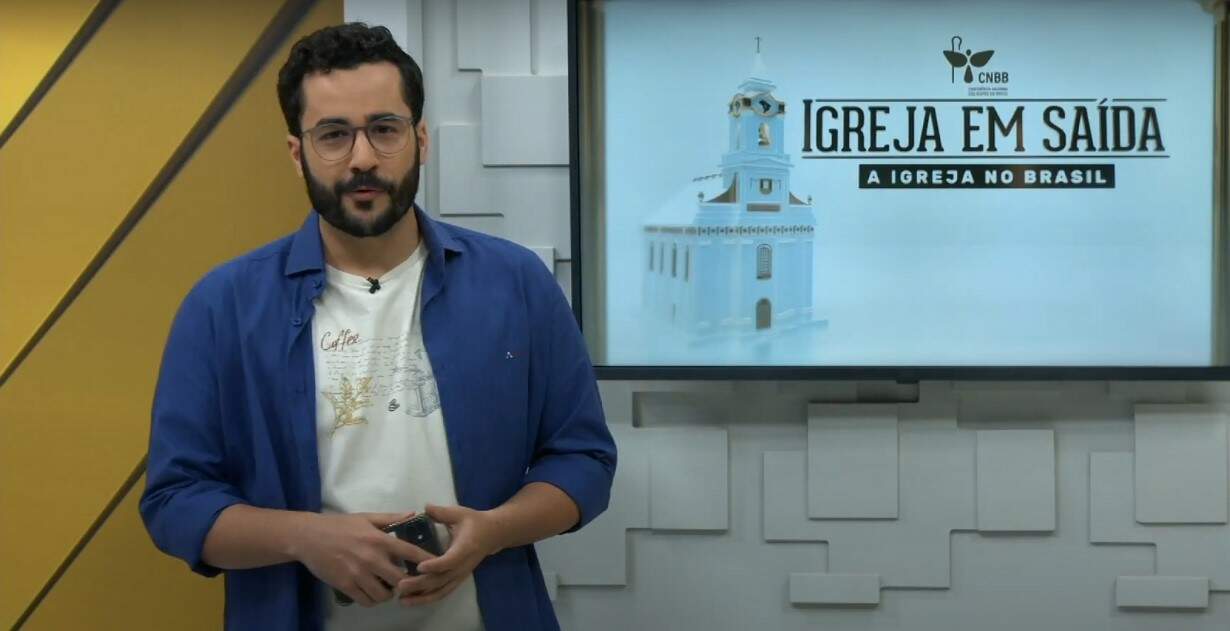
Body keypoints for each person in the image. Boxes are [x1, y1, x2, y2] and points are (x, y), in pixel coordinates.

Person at [139, 23, 616, 631]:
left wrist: (496, 530)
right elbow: (175, 502)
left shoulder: (516, 283)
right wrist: (305, 537)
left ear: (421, 140)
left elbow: (583, 459)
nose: (362, 158)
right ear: (298, 153)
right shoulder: (222, 306)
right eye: (333, 135)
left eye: (384, 129)